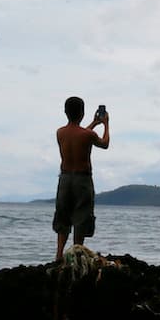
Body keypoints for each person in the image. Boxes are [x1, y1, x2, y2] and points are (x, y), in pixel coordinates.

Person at [53, 96, 110, 261]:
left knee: (63, 217)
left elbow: (77, 134)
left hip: (64, 179)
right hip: (82, 180)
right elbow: (104, 143)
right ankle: (76, 255)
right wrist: (105, 124)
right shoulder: (88, 134)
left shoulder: (60, 133)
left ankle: (58, 256)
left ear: (65, 112)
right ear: (82, 113)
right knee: (81, 217)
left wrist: (93, 123)